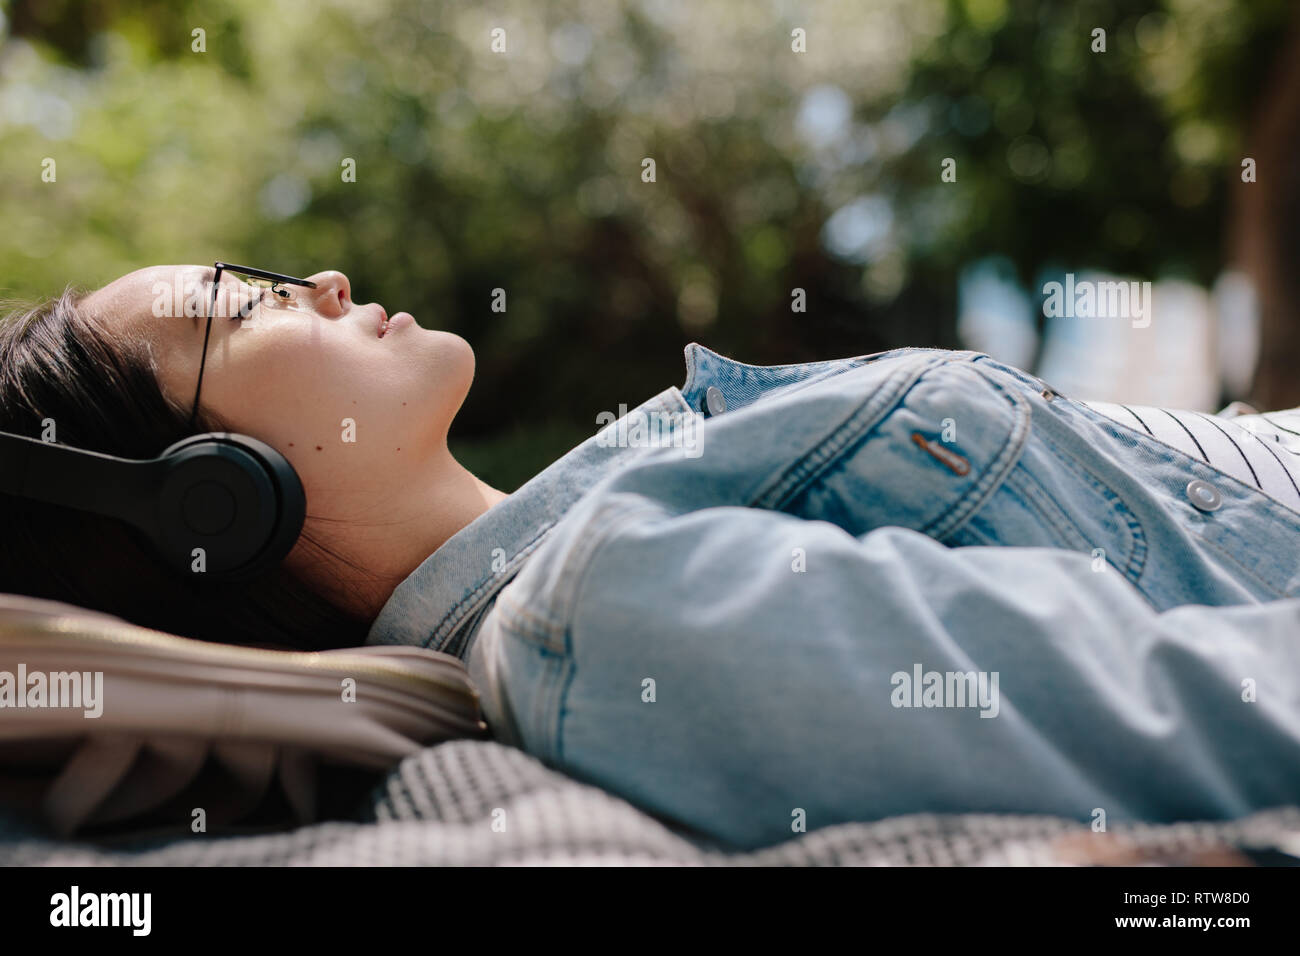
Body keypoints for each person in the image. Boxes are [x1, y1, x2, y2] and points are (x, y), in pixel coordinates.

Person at [3, 263, 1299, 851]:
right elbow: (1204, 705)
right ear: (204, 505)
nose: (326, 279)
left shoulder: (618, 517)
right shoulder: (609, 620)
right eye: (244, 302)